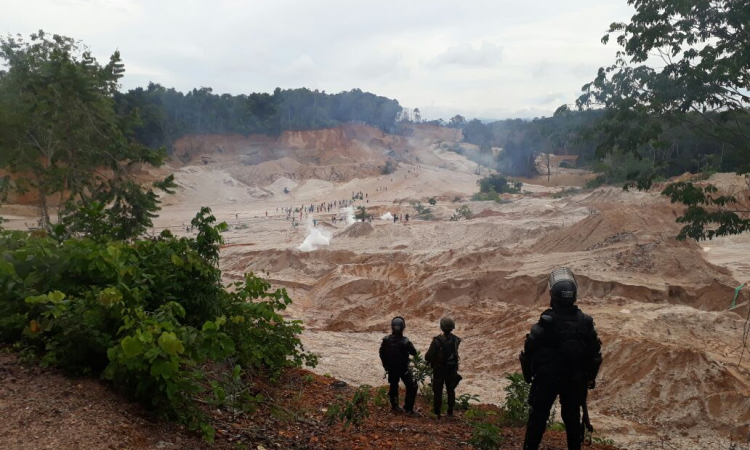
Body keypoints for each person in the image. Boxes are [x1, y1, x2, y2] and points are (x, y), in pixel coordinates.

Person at [519, 267, 603, 450]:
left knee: (538, 418)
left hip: (546, 379)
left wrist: (528, 376)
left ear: (553, 295)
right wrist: (590, 378)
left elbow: (527, 352)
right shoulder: (586, 323)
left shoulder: (544, 323)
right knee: (573, 420)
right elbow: (595, 355)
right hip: (575, 380)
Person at [379, 317, 418, 414]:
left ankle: (395, 406)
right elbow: (414, 353)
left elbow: (381, 353)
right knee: (412, 386)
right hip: (403, 369)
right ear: (403, 327)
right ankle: (408, 409)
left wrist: (386, 366)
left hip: (391, 368)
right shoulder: (405, 342)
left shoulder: (385, 340)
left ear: (392, 327)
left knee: (393, 385)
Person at [425, 317, 462, 419]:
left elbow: (428, 357)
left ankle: (437, 413)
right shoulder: (456, 340)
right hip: (452, 369)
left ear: (441, 327)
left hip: (439, 370)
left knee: (438, 391)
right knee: (451, 390)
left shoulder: (437, 341)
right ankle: (450, 413)